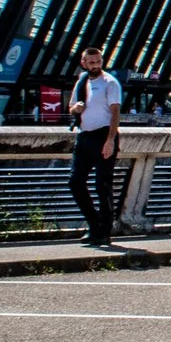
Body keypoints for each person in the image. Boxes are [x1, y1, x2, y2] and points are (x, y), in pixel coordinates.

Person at [67, 45, 124, 247]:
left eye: (98, 62)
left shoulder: (110, 82)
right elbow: (72, 108)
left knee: (103, 185)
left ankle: (104, 231)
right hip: (84, 136)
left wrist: (110, 140)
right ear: (84, 63)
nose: (95, 66)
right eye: (91, 62)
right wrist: (76, 108)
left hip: (103, 135)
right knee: (75, 182)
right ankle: (94, 223)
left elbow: (115, 113)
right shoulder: (82, 81)